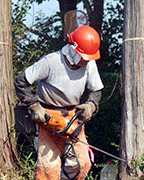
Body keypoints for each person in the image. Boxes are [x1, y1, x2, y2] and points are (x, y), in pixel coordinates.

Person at [14, 25, 103, 180]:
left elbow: (96, 90)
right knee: (48, 169)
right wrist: (34, 106)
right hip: (47, 117)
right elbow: (21, 81)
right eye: (84, 58)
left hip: (74, 118)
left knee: (82, 164)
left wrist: (91, 105)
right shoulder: (51, 62)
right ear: (74, 50)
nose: (85, 61)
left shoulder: (89, 63)